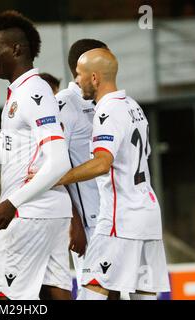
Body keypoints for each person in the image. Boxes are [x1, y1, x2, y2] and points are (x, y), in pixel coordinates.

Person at [0, 10, 73, 300]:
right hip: (49, 212)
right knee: (53, 293)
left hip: (27, 213)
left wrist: (12, 202)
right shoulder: (21, 93)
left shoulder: (33, 91)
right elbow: (13, 163)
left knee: (1, 299)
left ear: (17, 49)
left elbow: (59, 161)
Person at [56, 48, 170, 300]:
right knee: (144, 295)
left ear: (94, 78)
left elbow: (102, 163)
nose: (77, 81)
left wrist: (57, 178)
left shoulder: (107, 112)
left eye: (79, 74)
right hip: (148, 215)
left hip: (120, 218)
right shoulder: (133, 106)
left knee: (92, 292)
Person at [56, 39, 122, 300]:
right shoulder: (64, 104)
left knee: (114, 293)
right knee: (97, 294)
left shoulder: (103, 102)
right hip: (88, 223)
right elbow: (54, 168)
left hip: (112, 217)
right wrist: (74, 224)